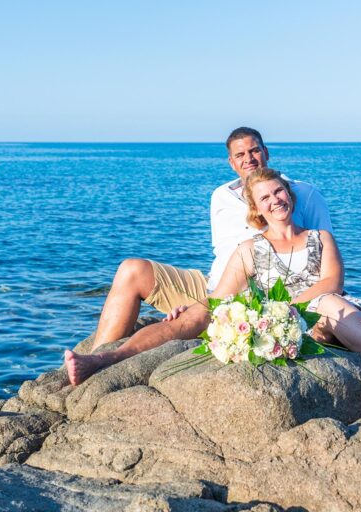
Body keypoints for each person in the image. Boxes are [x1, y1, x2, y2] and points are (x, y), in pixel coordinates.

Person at [67, 167, 361, 416]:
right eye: (266, 198)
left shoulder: (320, 237)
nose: (276, 199)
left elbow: (332, 282)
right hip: (308, 320)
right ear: (256, 211)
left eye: (280, 192)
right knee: (332, 307)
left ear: (289, 196)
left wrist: (291, 301)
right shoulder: (248, 250)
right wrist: (193, 305)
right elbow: (221, 297)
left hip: (332, 306)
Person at [64, 128, 332, 381]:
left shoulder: (303, 194)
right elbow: (222, 254)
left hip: (266, 296)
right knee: (132, 269)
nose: (248, 159)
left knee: (191, 319)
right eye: (240, 155)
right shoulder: (220, 197)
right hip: (215, 287)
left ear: (266, 152)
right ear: (231, 162)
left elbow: (320, 253)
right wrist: (198, 301)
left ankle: (103, 361)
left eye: (254, 151)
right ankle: (93, 360)